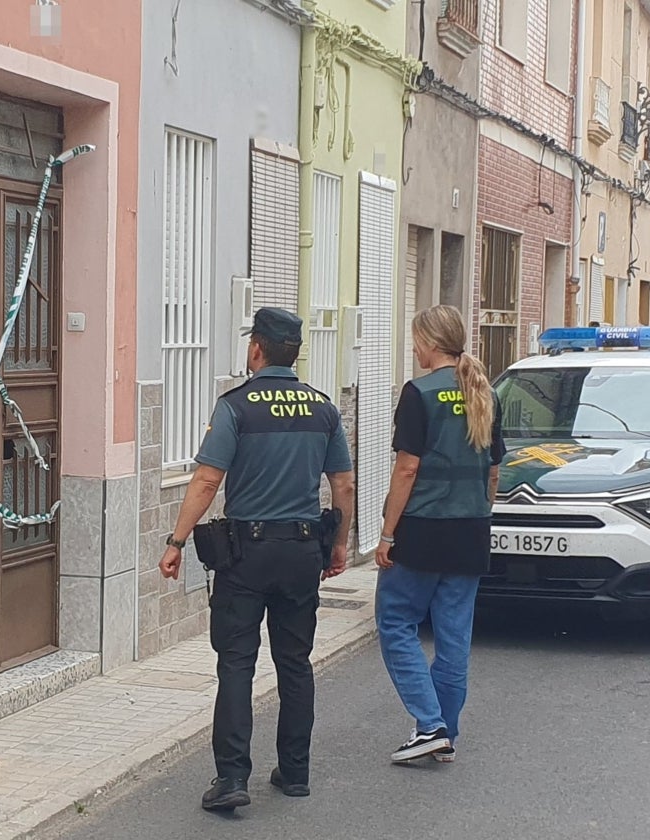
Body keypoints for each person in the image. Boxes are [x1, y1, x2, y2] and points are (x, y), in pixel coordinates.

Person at [158, 306, 355, 812]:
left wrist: (177, 542)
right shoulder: (323, 408)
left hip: (246, 556)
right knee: (294, 663)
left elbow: (206, 480)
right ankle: (295, 772)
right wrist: (338, 545)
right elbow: (343, 485)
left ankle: (231, 779)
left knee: (237, 665)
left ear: (256, 348)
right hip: (300, 553)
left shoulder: (236, 407)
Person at [374, 304, 505, 764]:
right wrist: (477, 511)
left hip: (423, 530)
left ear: (429, 343)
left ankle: (429, 725)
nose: (414, 348)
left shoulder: (419, 393)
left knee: (396, 624)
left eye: (416, 339)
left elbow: (407, 468)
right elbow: (493, 469)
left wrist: (387, 534)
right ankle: (445, 732)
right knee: (453, 638)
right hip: (470, 530)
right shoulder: (484, 393)